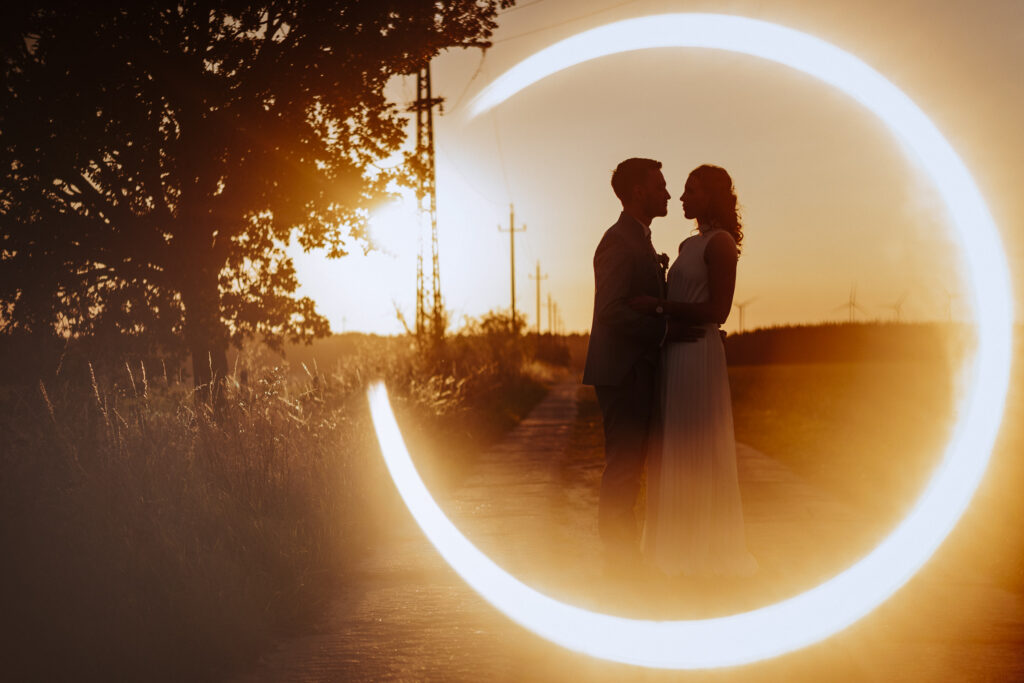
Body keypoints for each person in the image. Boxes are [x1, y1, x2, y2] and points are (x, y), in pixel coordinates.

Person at [629, 164, 757, 577]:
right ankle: (674, 545)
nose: (681, 198)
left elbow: (718, 310)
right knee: (675, 447)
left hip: (699, 354)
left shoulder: (720, 244)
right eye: (681, 191)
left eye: (691, 191)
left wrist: (660, 306)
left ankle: (701, 551)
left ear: (711, 197)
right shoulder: (688, 245)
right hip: (675, 353)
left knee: (696, 448)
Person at [581, 158, 703, 576]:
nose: (668, 194)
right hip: (625, 372)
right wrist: (665, 332)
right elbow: (611, 311)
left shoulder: (641, 239)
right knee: (625, 468)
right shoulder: (619, 242)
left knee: (633, 468)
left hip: (636, 370)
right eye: (660, 187)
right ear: (638, 192)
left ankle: (627, 559)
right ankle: (619, 564)